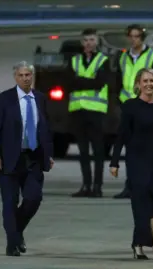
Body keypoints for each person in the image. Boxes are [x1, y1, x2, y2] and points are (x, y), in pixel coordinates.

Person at [0, 61, 54, 256]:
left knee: (34, 198)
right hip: (9, 158)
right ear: (15, 77)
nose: (26, 78)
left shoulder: (40, 98)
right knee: (9, 202)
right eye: (22, 75)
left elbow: (45, 129)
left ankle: (16, 231)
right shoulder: (4, 99)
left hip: (33, 157)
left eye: (28, 75)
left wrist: (48, 154)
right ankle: (12, 243)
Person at [109, 68, 153, 260]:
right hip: (137, 161)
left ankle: (138, 244)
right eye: (145, 81)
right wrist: (114, 162)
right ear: (138, 84)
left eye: (152, 81)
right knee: (144, 202)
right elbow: (121, 135)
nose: (149, 84)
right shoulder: (130, 106)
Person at [113, 24, 153, 199]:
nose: (133, 39)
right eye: (131, 36)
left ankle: (151, 182)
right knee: (130, 148)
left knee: (150, 147)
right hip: (128, 106)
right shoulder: (123, 57)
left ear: (142, 38)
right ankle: (130, 185)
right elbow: (117, 80)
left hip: (147, 105)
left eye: (137, 36)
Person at [69, 28, 111, 198]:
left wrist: (80, 82)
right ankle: (86, 185)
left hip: (96, 111)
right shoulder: (75, 60)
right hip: (78, 111)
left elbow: (100, 83)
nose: (89, 43)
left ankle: (97, 187)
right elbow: (68, 82)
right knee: (83, 151)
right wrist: (89, 82)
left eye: (92, 40)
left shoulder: (103, 60)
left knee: (98, 151)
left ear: (97, 41)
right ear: (82, 42)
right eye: (86, 40)